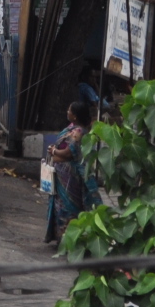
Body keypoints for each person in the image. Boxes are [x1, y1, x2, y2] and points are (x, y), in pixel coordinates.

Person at [44, 100, 100, 241]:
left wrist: (54, 150)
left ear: (74, 116)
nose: (67, 112)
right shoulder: (71, 128)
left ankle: (70, 239)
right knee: (60, 206)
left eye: (69, 110)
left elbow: (70, 153)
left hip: (70, 177)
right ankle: (61, 237)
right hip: (61, 175)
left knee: (69, 207)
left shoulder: (79, 131)